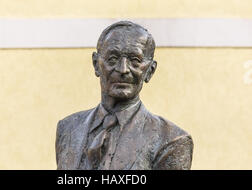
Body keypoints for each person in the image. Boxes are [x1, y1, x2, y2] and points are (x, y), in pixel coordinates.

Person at [56, 21, 193, 170]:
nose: (123, 70)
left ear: (150, 71)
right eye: (113, 59)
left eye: (135, 61)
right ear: (96, 64)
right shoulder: (68, 129)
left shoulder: (171, 140)